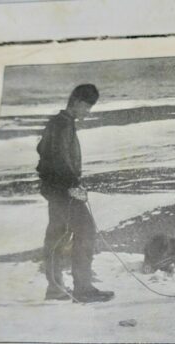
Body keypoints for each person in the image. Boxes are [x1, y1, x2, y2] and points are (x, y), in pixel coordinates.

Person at [36, 84, 114, 303]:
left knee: (56, 236)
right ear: (77, 102)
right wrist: (72, 184)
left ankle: (55, 288)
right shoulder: (63, 126)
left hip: (54, 190)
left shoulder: (58, 123)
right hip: (63, 191)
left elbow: (42, 151)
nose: (88, 112)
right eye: (87, 107)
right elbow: (60, 158)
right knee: (86, 230)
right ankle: (83, 289)